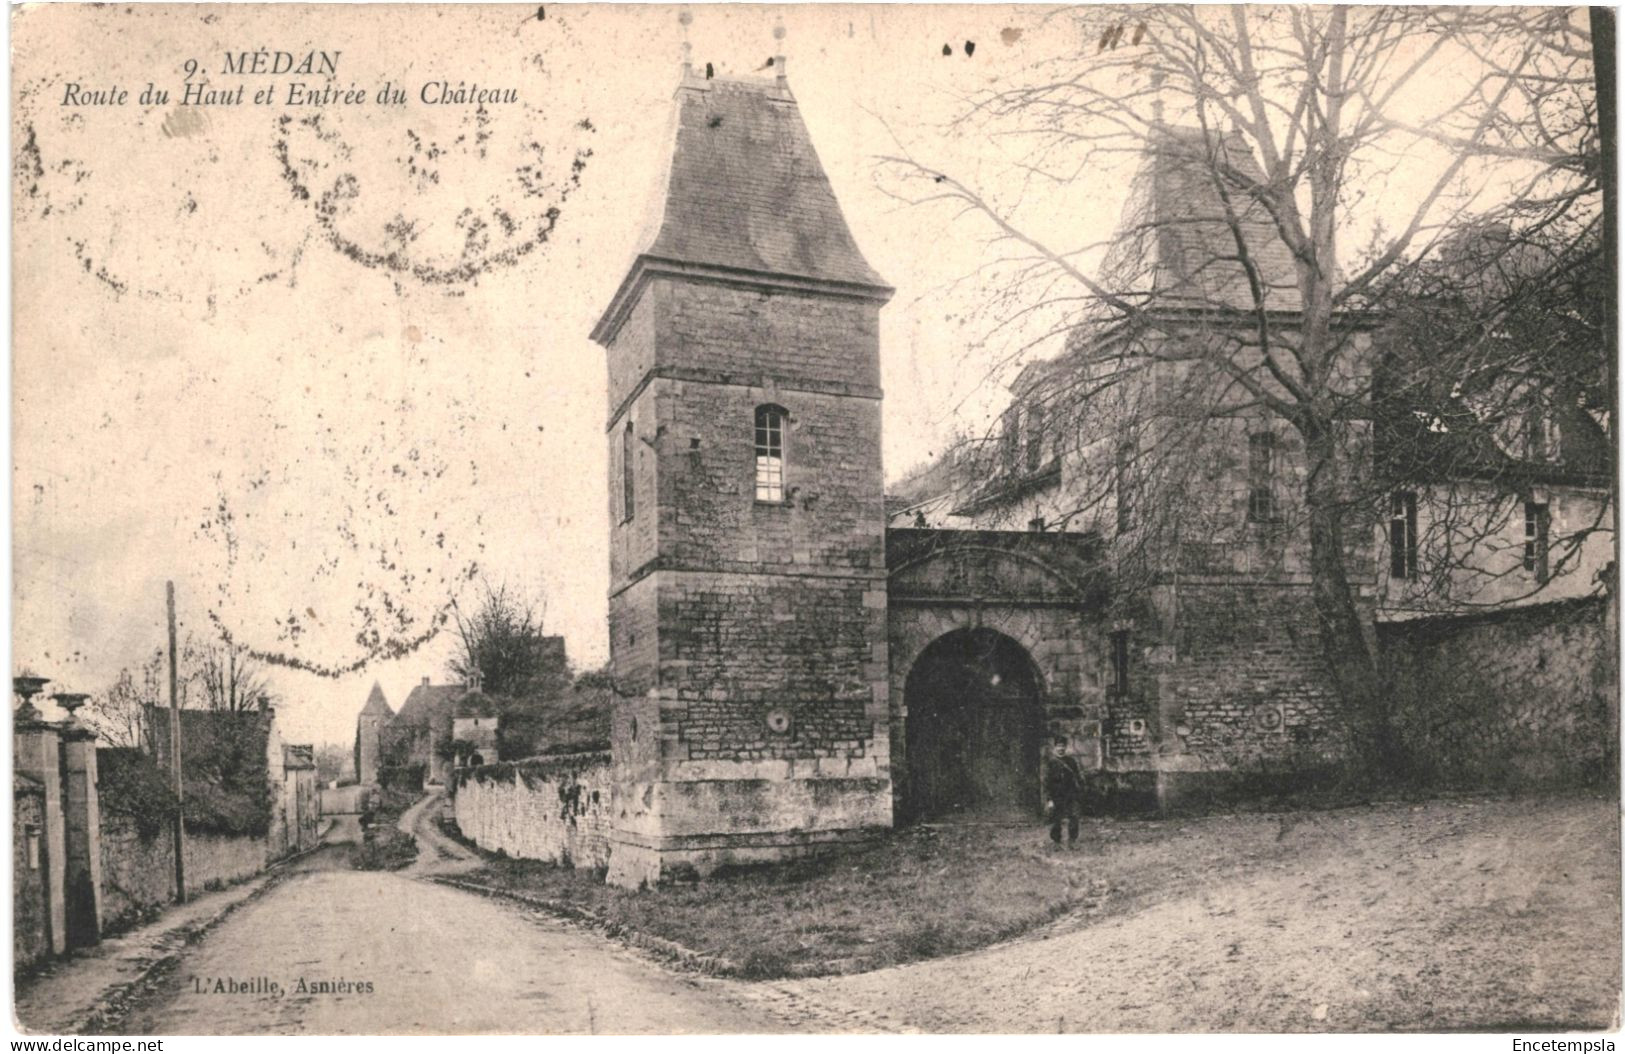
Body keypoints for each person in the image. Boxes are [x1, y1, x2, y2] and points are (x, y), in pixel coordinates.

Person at [1043, 738, 1085, 847]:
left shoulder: (1071, 762)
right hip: (1056, 794)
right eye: (1058, 746)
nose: (1061, 748)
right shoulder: (1051, 763)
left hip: (1070, 793)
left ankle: (1072, 840)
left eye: (1063, 746)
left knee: (1074, 816)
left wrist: (1078, 792)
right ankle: (1056, 841)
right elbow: (1046, 782)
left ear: (1065, 747)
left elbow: (1077, 777)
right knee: (1056, 818)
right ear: (1055, 747)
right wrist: (1049, 799)